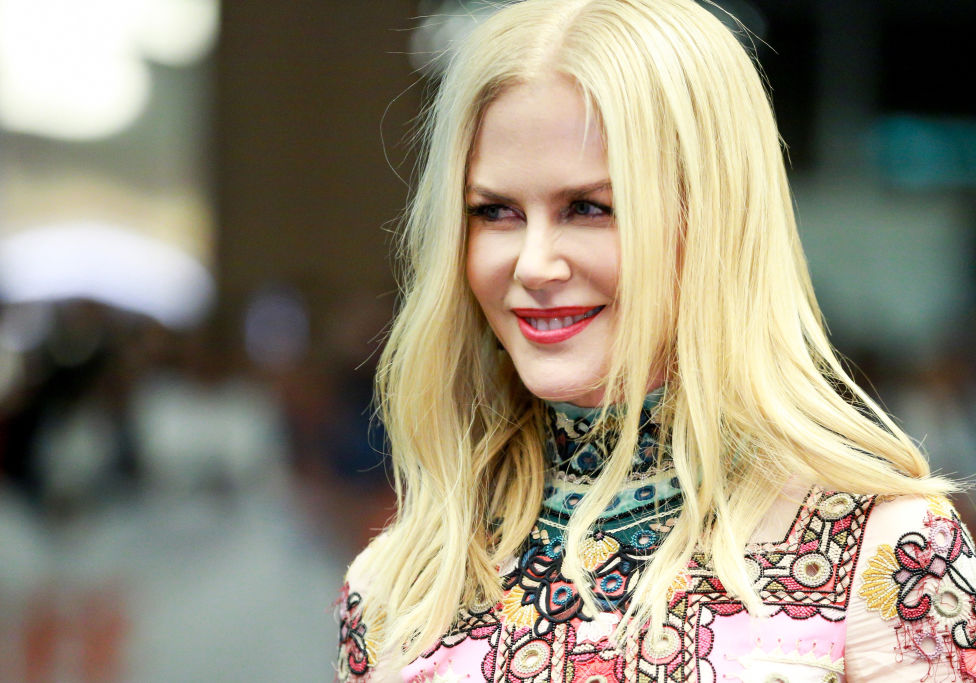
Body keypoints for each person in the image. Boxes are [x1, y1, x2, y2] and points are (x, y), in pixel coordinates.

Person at [335, 0, 976, 680]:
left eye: (590, 208)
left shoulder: (889, 553)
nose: (534, 265)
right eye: (495, 212)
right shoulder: (395, 588)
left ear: (714, 217)